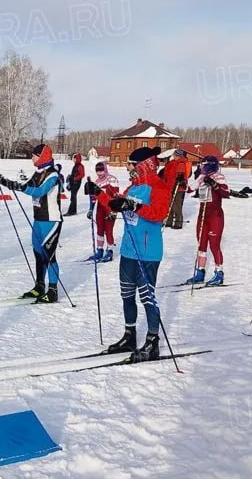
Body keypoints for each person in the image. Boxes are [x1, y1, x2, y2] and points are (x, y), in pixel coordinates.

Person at [93, 146, 170, 362]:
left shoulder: (158, 186)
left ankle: (152, 341)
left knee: (147, 297)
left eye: (132, 164)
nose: (129, 168)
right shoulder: (132, 188)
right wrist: (99, 193)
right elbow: (114, 206)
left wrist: (134, 207)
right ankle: (129, 336)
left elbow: (159, 214)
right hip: (128, 250)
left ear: (144, 165)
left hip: (148, 252)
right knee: (126, 295)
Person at [0, 144, 63, 303]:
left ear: (43, 156)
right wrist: (5, 181)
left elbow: (38, 192)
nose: (32, 158)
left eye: (34, 155)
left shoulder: (52, 175)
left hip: (51, 221)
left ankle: (52, 291)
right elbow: (27, 186)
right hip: (38, 220)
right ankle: (39, 286)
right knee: (38, 254)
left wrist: (19, 186)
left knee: (49, 255)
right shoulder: (38, 173)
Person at [184, 156, 230, 286]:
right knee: (201, 244)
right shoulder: (201, 177)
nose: (201, 167)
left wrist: (214, 185)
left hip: (215, 216)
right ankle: (200, 272)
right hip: (202, 215)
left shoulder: (218, 176)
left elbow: (226, 193)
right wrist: (182, 182)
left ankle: (219, 273)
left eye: (203, 164)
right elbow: (189, 189)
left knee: (214, 245)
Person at [85, 161, 119, 262]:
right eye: (97, 171)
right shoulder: (97, 182)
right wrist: (91, 209)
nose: (99, 173)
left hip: (110, 208)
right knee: (100, 230)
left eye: (101, 170)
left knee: (108, 230)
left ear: (105, 169)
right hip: (100, 208)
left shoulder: (112, 179)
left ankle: (110, 251)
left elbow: (115, 196)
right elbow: (93, 198)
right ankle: (99, 250)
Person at [163, 148, 190, 229]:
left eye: (174, 154)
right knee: (169, 204)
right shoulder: (173, 162)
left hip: (177, 187)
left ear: (177, 155)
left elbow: (180, 174)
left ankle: (178, 222)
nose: (173, 156)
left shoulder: (181, 163)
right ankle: (169, 221)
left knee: (176, 205)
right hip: (170, 186)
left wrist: (180, 177)